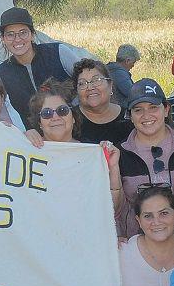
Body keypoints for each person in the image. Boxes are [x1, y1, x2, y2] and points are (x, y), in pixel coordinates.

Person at [27, 79, 123, 212]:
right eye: (47, 113)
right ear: (39, 123)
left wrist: (112, 167)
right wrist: (18, 138)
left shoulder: (93, 154)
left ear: (73, 117)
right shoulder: (26, 149)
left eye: (62, 110)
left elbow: (112, 209)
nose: (55, 117)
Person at [117, 79, 174, 238]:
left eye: (153, 107)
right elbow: (115, 207)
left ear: (166, 109)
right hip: (137, 246)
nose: (146, 115)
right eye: (138, 110)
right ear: (130, 116)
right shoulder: (119, 153)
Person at [0, 7, 71, 126]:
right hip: (37, 141)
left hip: (74, 133)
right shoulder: (3, 72)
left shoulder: (58, 53)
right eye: (10, 34)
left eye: (23, 32)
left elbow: (88, 78)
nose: (17, 39)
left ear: (32, 34)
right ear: (3, 39)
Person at [73, 58, 133, 145]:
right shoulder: (68, 120)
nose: (90, 87)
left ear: (110, 85)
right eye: (82, 83)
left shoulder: (129, 118)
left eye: (96, 80)